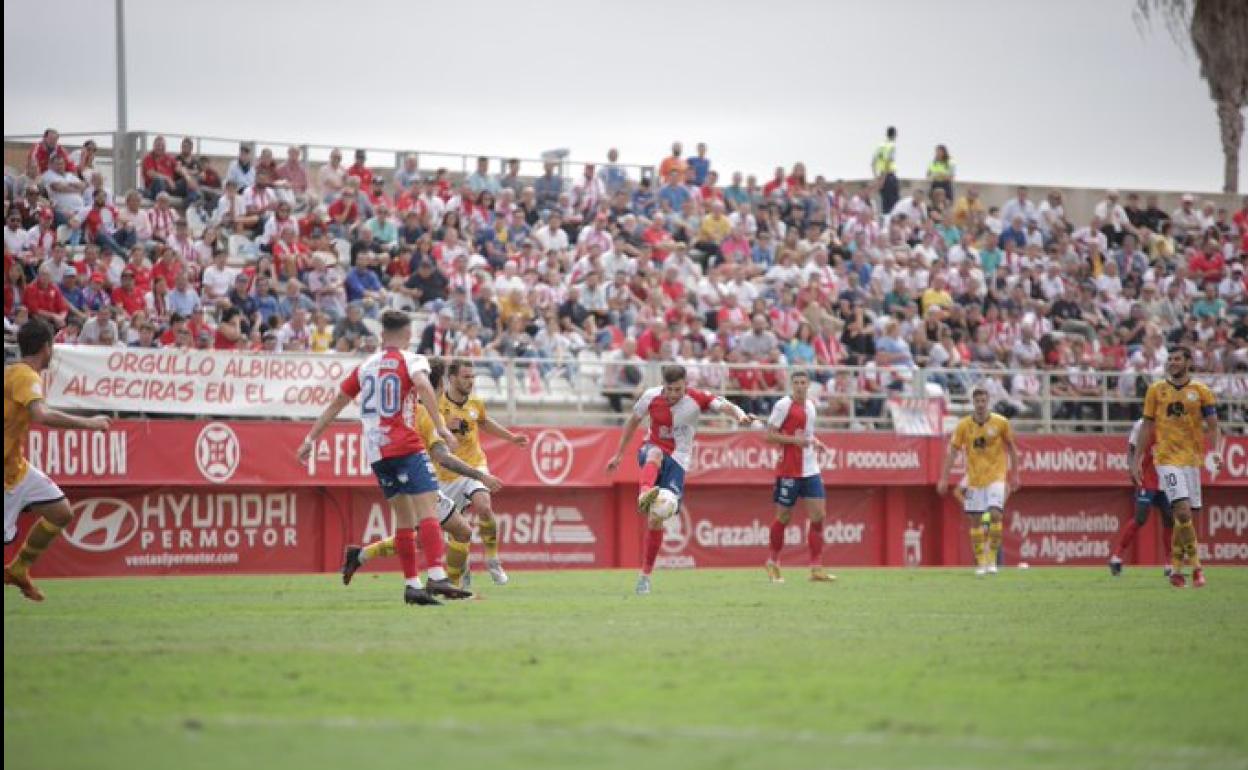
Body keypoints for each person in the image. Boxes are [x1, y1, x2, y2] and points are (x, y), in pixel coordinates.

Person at [297, 311, 469, 606]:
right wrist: (441, 426)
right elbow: (425, 386)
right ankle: (438, 576)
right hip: (406, 444)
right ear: (407, 334)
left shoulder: (365, 366)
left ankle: (412, 585)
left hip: (377, 451)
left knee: (404, 519)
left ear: (382, 335)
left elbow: (337, 402)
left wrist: (310, 439)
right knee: (428, 511)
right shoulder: (413, 360)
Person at [342, 360, 504, 588]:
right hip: (422, 483)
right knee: (461, 531)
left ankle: (360, 555)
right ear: (438, 386)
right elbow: (443, 458)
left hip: (399, 476)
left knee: (415, 538)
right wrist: (481, 476)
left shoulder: (406, 410)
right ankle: (452, 585)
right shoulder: (426, 414)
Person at [606, 365, 757, 595]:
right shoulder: (651, 397)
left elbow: (724, 405)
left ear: (685, 384)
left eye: (678, 389)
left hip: (678, 461)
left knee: (657, 518)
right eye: (669, 389)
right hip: (652, 450)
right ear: (663, 385)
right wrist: (619, 454)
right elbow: (632, 422)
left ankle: (645, 576)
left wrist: (741, 416)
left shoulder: (697, 398)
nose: (673, 394)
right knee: (654, 452)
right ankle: (644, 491)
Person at [4, 319, 112, 601]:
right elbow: (41, 415)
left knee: (61, 512)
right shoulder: (26, 376)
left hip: (16, 467)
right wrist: (89, 425)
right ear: (46, 348)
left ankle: (18, 569)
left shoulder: (14, 374)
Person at [1131, 347, 1222, 589]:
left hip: (1192, 460)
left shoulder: (1202, 392)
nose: (1172, 363)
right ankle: (1197, 568)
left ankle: (1178, 570)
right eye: (1169, 359)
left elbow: (1213, 427)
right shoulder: (1156, 390)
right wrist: (1136, 459)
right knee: (1181, 511)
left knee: (1190, 517)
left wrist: (1216, 453)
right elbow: (1147, 426)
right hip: (1166, 459)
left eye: (1177, 359)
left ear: (1188, 362)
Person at [937, 384, 1021, 576]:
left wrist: (1015, 474)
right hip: (974, 478)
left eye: (984, 401)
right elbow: (952, 452)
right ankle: (981, 562)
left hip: (996, 475)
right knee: (975, 521)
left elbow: (1012, 449)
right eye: (977, 401)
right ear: (973, 403)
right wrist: (944, 478)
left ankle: (991, 558)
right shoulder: (964, 426)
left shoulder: (1001, 423)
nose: (981, 404)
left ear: (988, 402)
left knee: (995, 514)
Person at [763, 370, 836, 584]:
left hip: (810, 468)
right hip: (789, 469)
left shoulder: (811, 406)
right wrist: (795, 442)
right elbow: (769, 435)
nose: (800, 386)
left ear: (809, 385)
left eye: (804, 382)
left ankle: (816, 568)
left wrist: (816, 441)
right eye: (796, 383)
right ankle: (773, 562)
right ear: (791, 385)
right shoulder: (783, 405)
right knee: (784, 517)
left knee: (819, 516)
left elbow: (807, 433)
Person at [1110, 418, 1174, 577]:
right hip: (1147, 477)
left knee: (1169, 518)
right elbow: (1131, 449)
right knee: (1140, 517)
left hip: (1166, 478)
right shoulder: (1142, 424)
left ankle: (1169, 563)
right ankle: (1116, 556)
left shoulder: (1173, 423)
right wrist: (1131, 468)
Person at [872, 126, 899, 214]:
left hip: (881, 176)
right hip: (889, 177)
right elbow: (887, 162)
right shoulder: (891, 146)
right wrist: (883, 180)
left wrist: (877, 178)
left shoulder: (880, 146)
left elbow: (873, 163)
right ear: (895, 135)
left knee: (885, 204)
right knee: (893, 205)